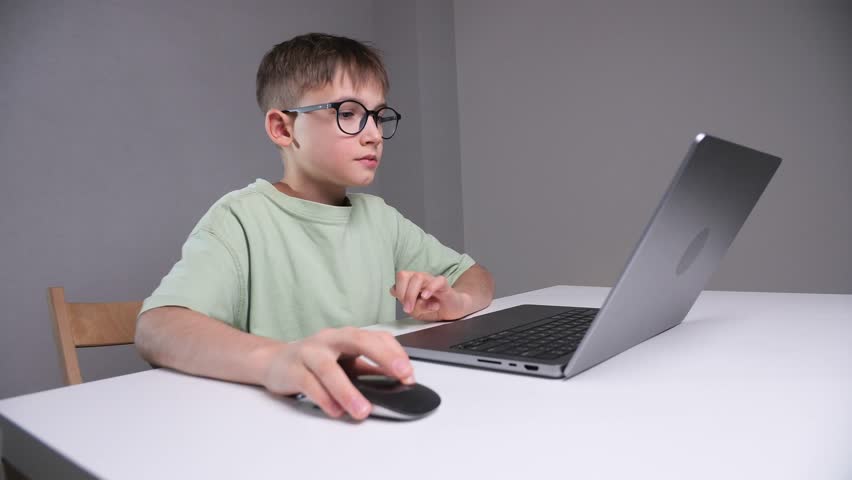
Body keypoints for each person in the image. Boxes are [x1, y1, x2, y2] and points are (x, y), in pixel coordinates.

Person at [135, 33, 495, 420]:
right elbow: (157, 328)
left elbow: (475, 276)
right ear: (283, 129)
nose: (373, 134)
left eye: (377, 116)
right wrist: (276, 359)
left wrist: (456, 301)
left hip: (359, 421)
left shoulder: (380, 218)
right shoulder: (241, 219)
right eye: (349, 113)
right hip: (277, 425)